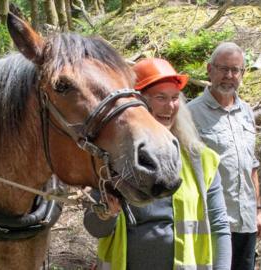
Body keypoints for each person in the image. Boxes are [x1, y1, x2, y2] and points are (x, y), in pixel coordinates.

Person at [84, 58, 231, 270]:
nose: (170, 106)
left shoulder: (202, 161)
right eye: (160, 97)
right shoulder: (112, 161)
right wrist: (107, 214)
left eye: (174, 98)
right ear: (137, 104)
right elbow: (94, 228)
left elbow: (219, 226)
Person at [188, 42, 261, 270]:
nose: (229, 76)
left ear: (242, 74)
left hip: (246, 221)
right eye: (223, 69)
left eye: (235, 70)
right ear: (209, 70)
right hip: (212, 223)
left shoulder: (247, 112)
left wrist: (258, 211)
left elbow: (252, 166)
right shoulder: (190, 113)